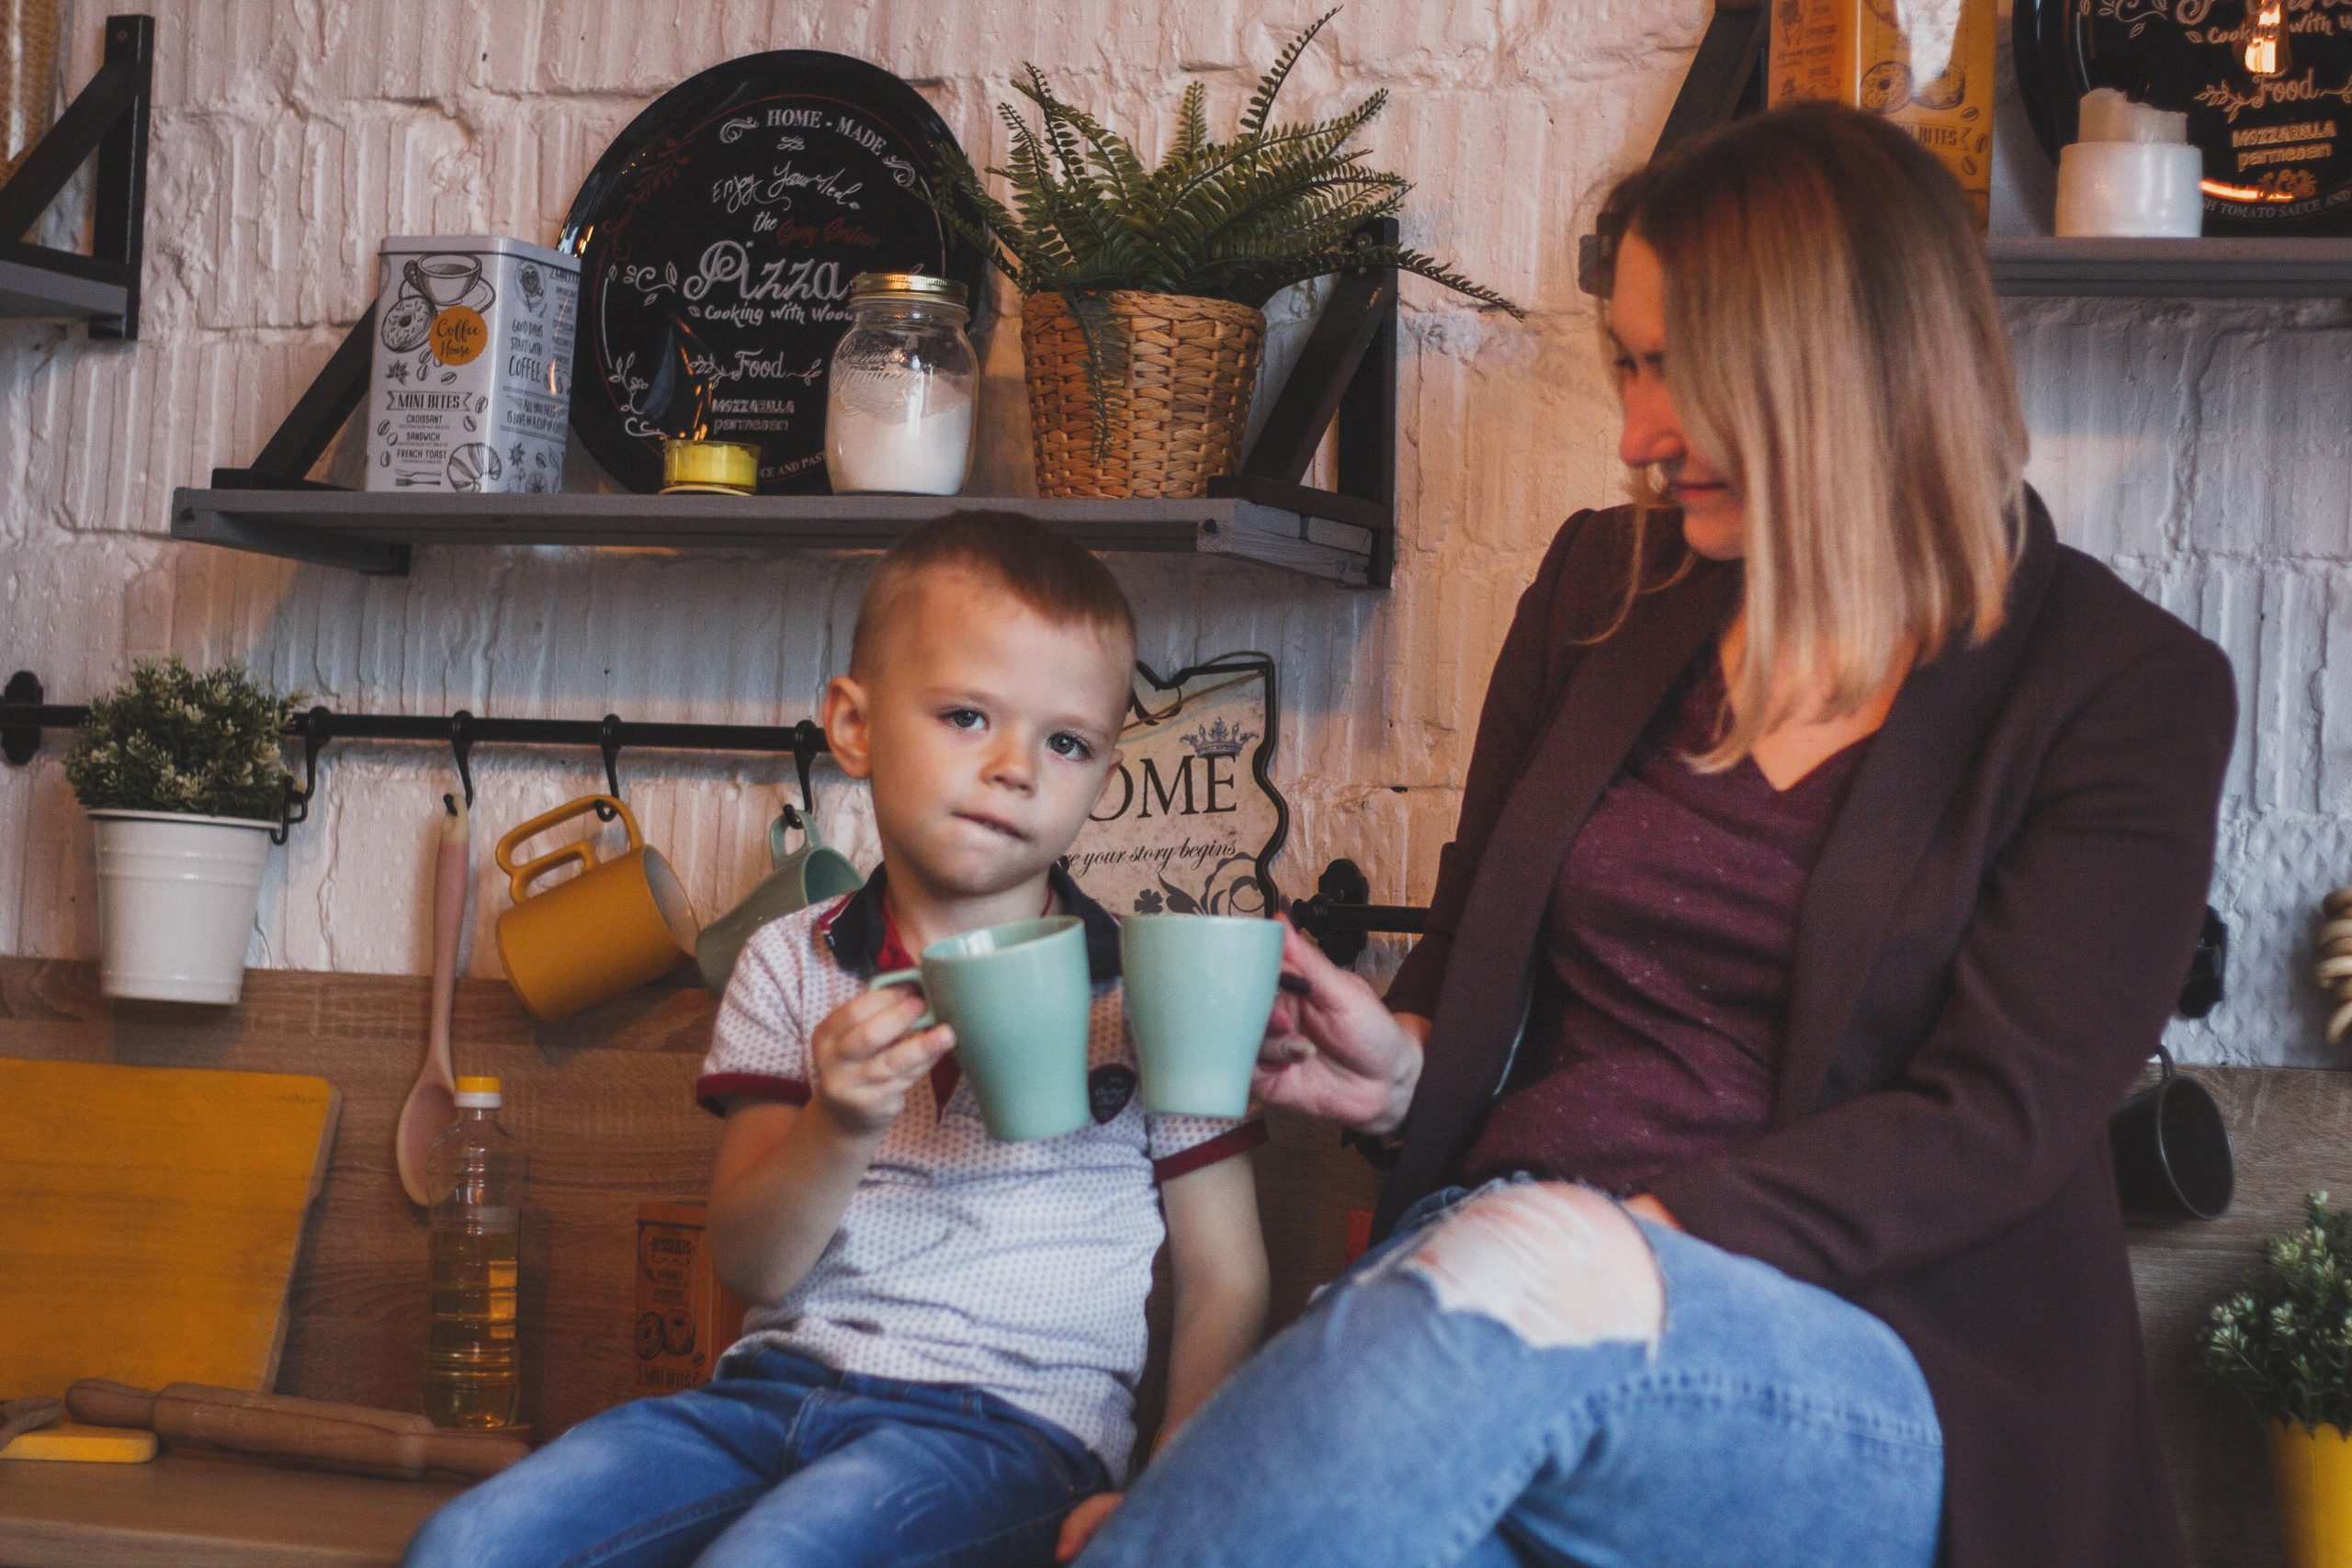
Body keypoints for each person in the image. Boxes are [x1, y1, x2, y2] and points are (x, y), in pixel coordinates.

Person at [1071, 103, 2234, 1568]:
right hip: (1488, 1297)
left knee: (1511, 1270)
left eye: (1678, 368)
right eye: (1626, 362)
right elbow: (1512, 996)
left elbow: (1990, 1124)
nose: (1633, 432)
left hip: (1864, 1349)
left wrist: (1610, 1235)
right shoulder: (1598, 592)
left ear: (1842, 357)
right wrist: (1403, 1070)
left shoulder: (2121, 687)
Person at [403, 512, 1270, 1568]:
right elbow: (750, 1260)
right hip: (762, 1404)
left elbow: (1227, 1276)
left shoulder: (1149, 982)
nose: (1016, 770)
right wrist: (840, 1122)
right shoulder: (789, 961)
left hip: (1008, 1432)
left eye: (1067, 742)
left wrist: (1174, 1500)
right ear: (853, 727)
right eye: (965, 715)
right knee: (465, 1544)